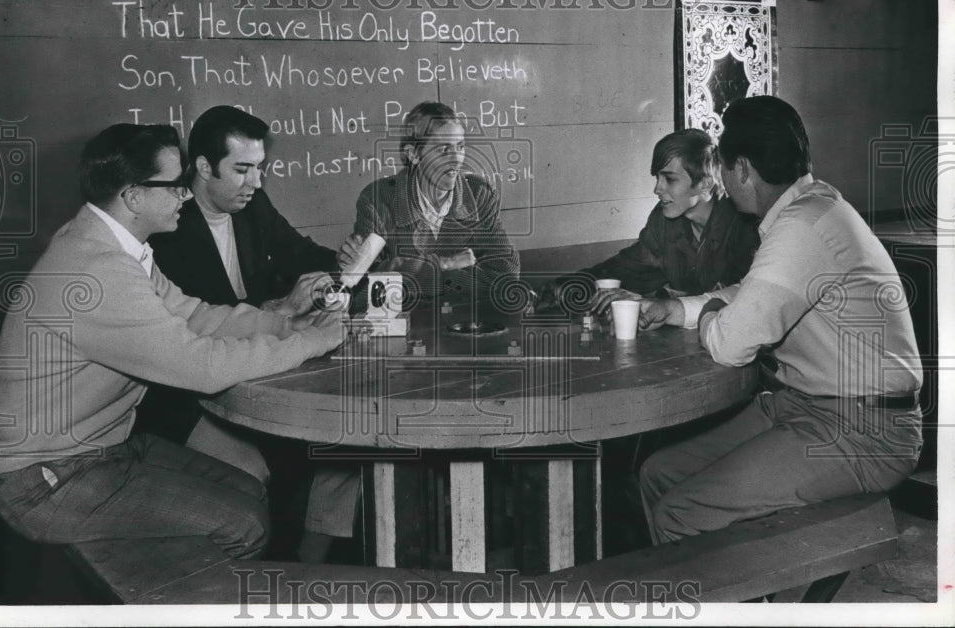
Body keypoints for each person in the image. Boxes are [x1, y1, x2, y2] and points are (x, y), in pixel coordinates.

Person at [0, 124, 342, 558]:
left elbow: (195, 315)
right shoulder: (97, 269)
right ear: (134, 197)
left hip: (106, 447)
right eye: (175, 185)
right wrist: (315, 342)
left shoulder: (114, 246)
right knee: (244, 525)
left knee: (247, 487)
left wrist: (289, 328)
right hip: (49, 480)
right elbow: (203, 367)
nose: (187, 194)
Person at [638, 97, 923, 543]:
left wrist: (710, 312)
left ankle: (733, 607)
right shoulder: (809, 210)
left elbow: (731, 345)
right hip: (809, 406)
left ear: (744, 169)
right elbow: (762, 293)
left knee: (681, 512)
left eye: (725, 168)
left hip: (866, 432)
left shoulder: (802, 226)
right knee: (660, 472)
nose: (725, 180)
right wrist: (683, 309)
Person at [143, 105, 358, 563]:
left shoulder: (252, 204)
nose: (256, 183)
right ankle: (249, 581)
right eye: (242, 169)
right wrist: (278, 311)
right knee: (250, 473)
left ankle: (306, 570)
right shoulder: (165, 228)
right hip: (189, 390)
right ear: (203, 167)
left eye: (259, 169)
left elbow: (298, 251)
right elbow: (193, 330)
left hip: (264, 369)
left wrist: (348, 266)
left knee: (348, 450)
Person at [536, 128, 759, 322]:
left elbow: (741, 302)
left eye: (670, 179)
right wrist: (568, 286)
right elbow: (629, 267)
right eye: (657, 177)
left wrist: (655, 302)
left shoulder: (745, 227)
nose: (657, 189)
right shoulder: (664, 221)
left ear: (705, 184)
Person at [342, 101, 520, 305]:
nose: (456, 160)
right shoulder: (378, 199)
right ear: (413, 154)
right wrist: (446, 264)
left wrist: (415, 276)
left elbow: (506, 275)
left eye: (460, 147)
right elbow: (365, 285)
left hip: (466, 324)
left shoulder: (479, 194)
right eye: (444, 150)